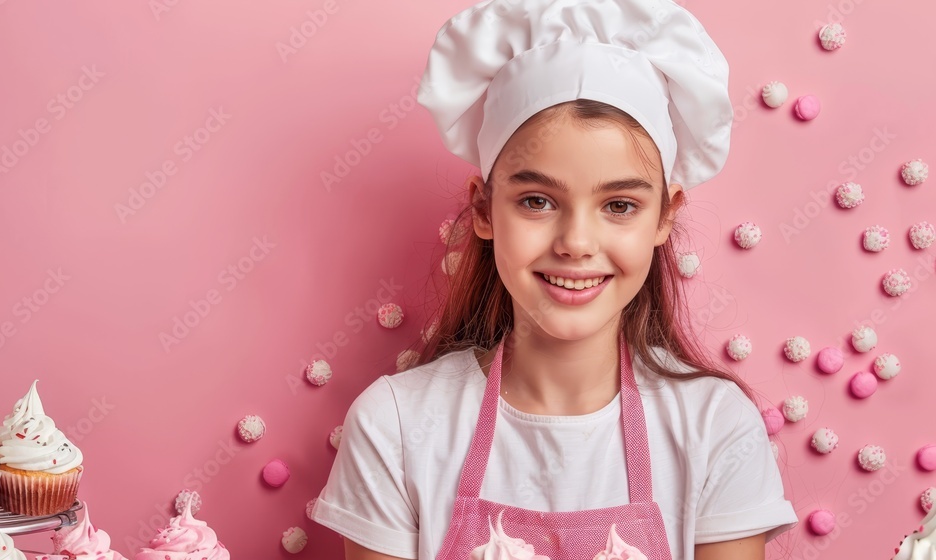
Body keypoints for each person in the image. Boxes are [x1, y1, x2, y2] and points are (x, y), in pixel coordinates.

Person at [310, 0, 799, 558]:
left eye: (619, 205)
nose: (576, 242)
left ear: (665, 216)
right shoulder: (395, 425)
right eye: (537, 201)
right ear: (485, 210)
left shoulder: (715, 429)